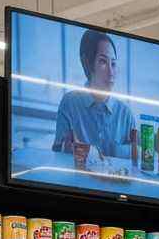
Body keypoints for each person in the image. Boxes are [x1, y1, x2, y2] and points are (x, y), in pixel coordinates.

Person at [52, 28, 136, 160]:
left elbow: (137, 160)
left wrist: (121, 151)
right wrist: (66, 148)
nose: (111, 72)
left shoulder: (125, 114)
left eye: (113, 63)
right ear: (87, 63)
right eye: (103, 61)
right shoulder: (69, 103)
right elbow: (57, 154)